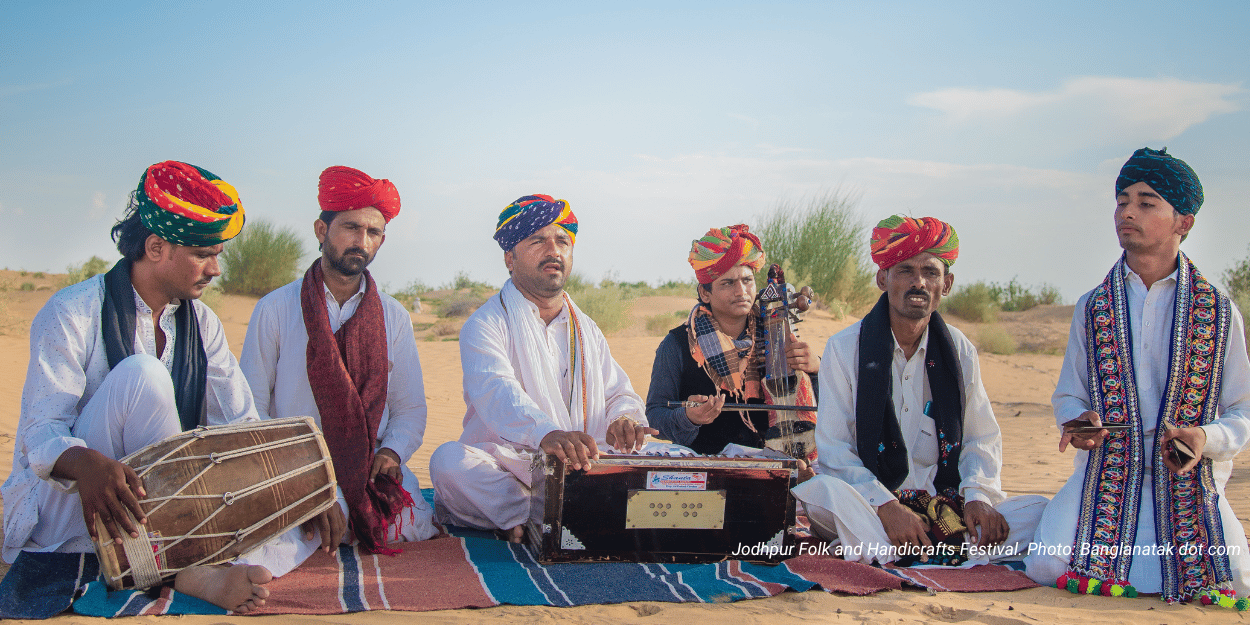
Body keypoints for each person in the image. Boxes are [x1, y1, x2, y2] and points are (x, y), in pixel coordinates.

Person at [0, 161, 276, 613]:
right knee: (142, 375)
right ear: (155, 247)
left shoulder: (202, 323)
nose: (216, 269)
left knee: (278, 525)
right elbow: (41, 432)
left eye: (219, 254)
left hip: (148, 506)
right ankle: (185, 569)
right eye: (204, 253)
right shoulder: (74, 311)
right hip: (67, 514)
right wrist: (87, 464)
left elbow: (240, 422)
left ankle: (171, 554)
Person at [1024, 148, 1250, 608]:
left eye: (1146, 202)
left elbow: (1247, 411)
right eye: (1122, 201)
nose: (1127, 212)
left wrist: (1205, 438)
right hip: (1109, 473)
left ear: (1183, 222)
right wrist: (1078, 420)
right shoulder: (1093, 307)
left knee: (1234, 578)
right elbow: (1068, 393)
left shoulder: (1217, 311)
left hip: (1187, 478)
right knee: (1050, 564)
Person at [791, 215, 1046, 567]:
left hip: (944, 504)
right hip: (869, 503)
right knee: (825, 493)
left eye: (930, 272)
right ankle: (944, 549)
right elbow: (835, 450)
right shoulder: (845, 347)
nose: (919, 283)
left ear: (947, 283)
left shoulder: (959, 350)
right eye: (905, 271)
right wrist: (887, 507)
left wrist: (976, 496)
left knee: (1039, 512)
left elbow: (980, 437)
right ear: (883, 279)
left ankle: (900, 549)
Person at [428, 194, 663, 543]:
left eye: (562, 241)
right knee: (448, 464)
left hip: (588, 460)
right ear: (510, 258)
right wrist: (546, 434)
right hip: (514, 464)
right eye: (538, 240)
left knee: (674, 457)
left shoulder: (586, 328)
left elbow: (617, 390)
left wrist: (624, 418)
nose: (554, 250)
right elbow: (496, 391)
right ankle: (537, 512)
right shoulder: (487, 323)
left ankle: (542, 514)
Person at [239, 166, 437, 567]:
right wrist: (307, 481)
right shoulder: (275, 309)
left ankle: (336, 517)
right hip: (292, 468)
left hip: (367, 469)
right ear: (320, 230)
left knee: (411, 523)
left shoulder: (394, 317)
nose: (361, 242)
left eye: (373, 232)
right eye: (350, 227)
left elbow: (410, 409)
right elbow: (252, 408)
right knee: (277, 536)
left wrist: (394, 453)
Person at [646, 224, 820, 456]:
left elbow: (824, 408)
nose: (741, 291)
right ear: (705, 293)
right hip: (707, 473)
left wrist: (817, 369)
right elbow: (655, 416)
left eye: (747, 280)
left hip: (777, 468)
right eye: (728, 283)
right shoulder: (677, 344)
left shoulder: (778, 332)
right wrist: (687, 417)